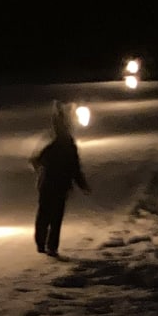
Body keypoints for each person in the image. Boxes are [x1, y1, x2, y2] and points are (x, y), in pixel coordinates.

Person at [31, 102, 89, 256]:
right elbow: (75, 168)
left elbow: (38, 161)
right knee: (55, 217)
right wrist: (82, 184)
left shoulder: (52, 145)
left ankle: (42, 243)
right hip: (59, 186)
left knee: (45, 214)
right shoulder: (67, 146)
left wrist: (37, 164)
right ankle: (50, 245)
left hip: (49, 185)